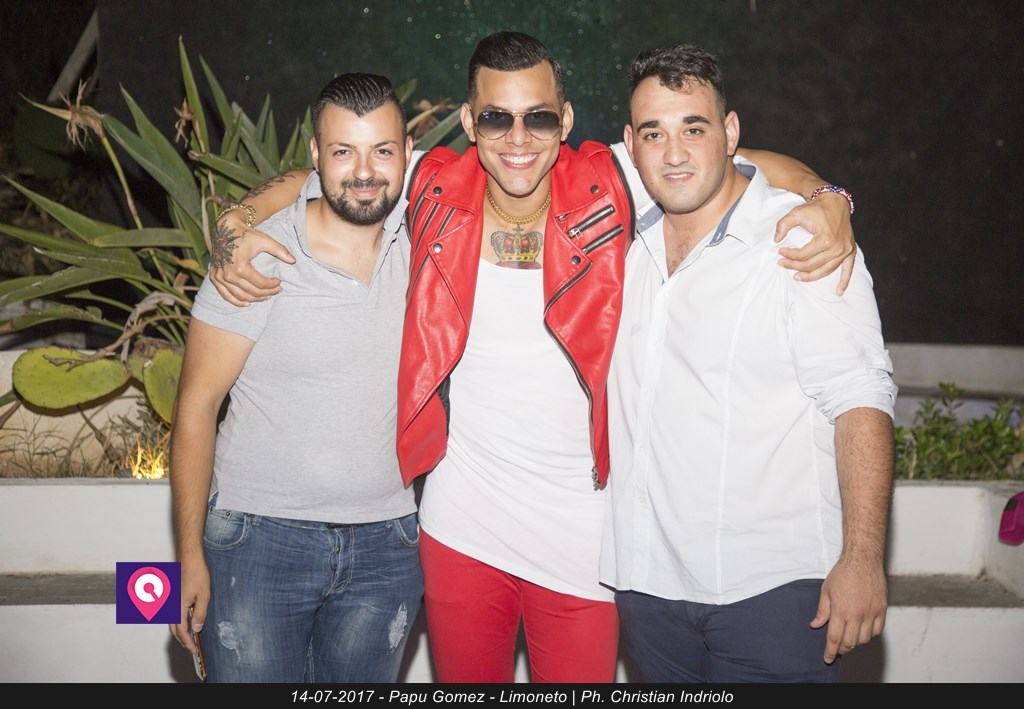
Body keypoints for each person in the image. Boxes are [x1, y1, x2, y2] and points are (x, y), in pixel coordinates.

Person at [211, 32, 856, 683]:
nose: (517, 138)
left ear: (565, 120)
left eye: (538, 118)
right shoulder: (431, 185)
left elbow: (739, 162)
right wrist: (238, 218)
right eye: (496, 118)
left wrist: (829, 197)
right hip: (461, 528)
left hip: (584, 539)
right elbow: (316, 177)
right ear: (470, 123)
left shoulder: (611, 180)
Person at [601, 45, 895, 683]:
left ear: (730, 133)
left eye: (694, 129)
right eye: (653, 133)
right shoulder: (621, 234)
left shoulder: (799, 240)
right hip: (648, 591)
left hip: (773, 596)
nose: (673, 153)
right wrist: (828, 189)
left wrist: (863, 558)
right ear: (630, 145)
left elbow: (860, 397)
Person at [168, 73, 423, 682]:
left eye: (382, 150)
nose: (365, 171)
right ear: (316, 156)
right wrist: (187, 557)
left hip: (387, 545)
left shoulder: (426, 238)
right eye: (343, 151)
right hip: (258, 542)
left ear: (408, 154)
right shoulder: (256, 260)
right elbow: (197, 406)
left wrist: (236, 212)